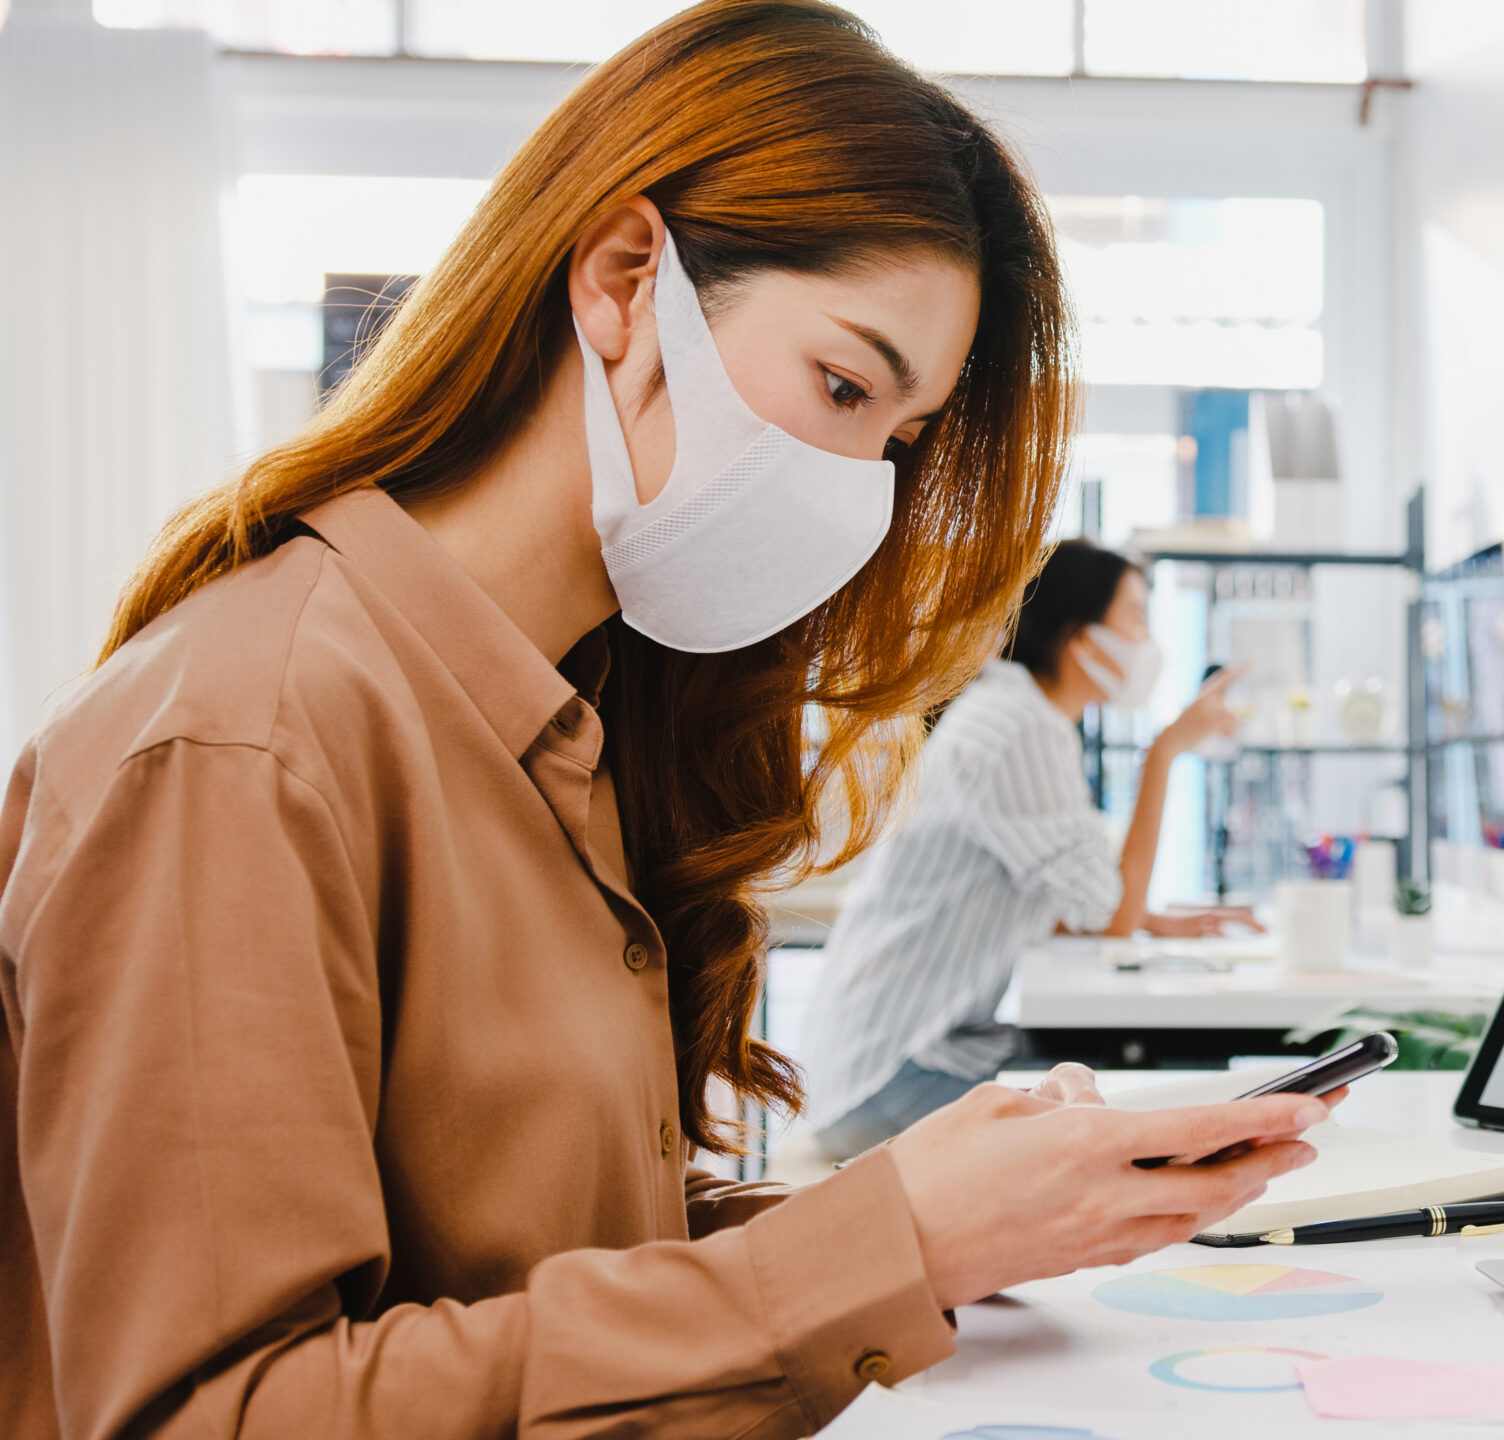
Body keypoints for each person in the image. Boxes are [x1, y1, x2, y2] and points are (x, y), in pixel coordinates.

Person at [0, 6, 1335, 1437]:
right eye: (840, 386)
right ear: (627, 280)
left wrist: (932, 1224)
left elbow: (532, 1261)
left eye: (892, 443)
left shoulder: (574, 718)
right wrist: (894, 1243)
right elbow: (223, 1414)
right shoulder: (244, 744)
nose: (855, 491)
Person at [803, 539, 1258, 1160]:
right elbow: (1112, 919)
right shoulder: (1021, 728)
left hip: (889, 1057)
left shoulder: (1017, 712)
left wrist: (1151, 918)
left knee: (1132, 1090)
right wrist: (1166, 751)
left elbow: (1075, 903)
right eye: (1136, 618)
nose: (1149, 642)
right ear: (1081, 638)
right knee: (1136, 1112)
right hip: (888, 1077)